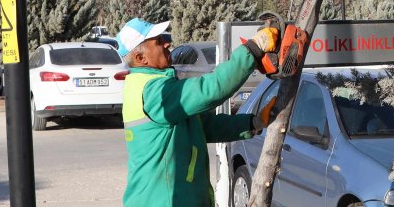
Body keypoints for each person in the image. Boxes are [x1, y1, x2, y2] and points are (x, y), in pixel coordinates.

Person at [116, 17, 278, 207]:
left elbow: (202, 126)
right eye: (158, 42)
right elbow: (211, 89)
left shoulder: (147, 87)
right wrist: (254, 49)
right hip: (165, 201)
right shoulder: (154, 92)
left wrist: (252, 123)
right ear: (141, 58)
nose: (167, 43)